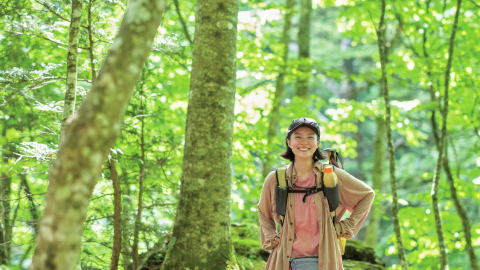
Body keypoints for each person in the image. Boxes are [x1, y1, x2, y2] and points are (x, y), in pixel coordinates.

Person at [257, 117, 375, 270]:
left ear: (318, 143)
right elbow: (263, 211)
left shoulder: (331, 175)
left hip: (325, 259)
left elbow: (367, 195)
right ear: (288, 142)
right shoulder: (276, 178)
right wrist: (270, 238)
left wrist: (344, 228)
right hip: (285, 259)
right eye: (298, 137)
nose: (304, 142)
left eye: (310, 137)